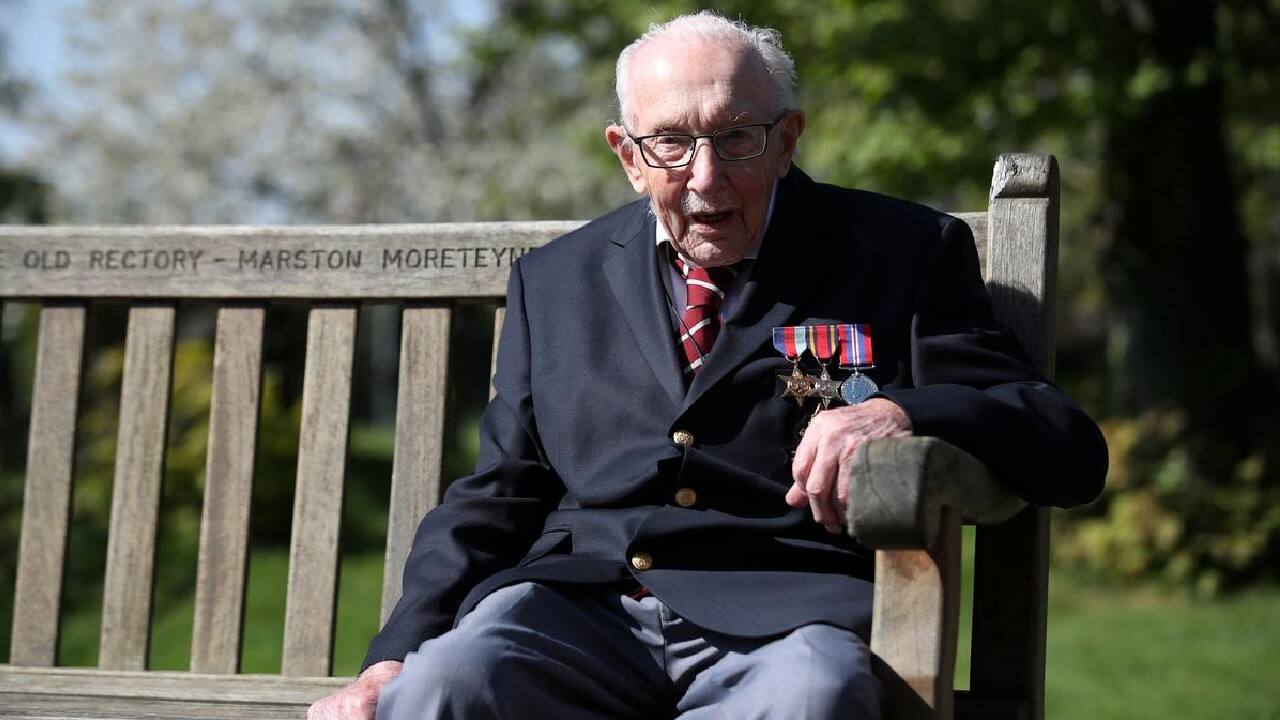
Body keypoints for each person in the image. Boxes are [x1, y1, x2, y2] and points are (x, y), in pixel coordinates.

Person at [309, 11, 1107, 720]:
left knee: (813, 700)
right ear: (627, 153)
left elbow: (1067, 447)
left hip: (785, 618)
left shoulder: (902, 253)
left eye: (735, 138)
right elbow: (501, 486)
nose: (704, 176)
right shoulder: (555, 281)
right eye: (671, 143)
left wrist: (900, 411)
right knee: (437, 691)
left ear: (787, 138)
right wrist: (393, 657)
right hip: (576, 607)